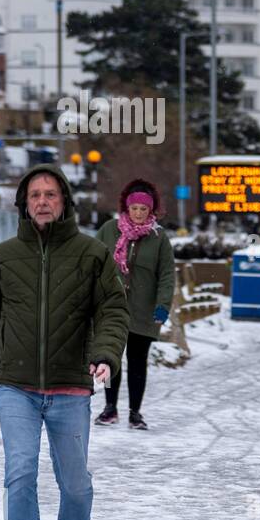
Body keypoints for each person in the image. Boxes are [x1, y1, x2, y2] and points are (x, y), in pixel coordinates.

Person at [0, 164, 130, 520]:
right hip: (15, 385)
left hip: (70, 385)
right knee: (19, 474)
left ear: (64, 201)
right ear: (23, 203)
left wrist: (106, 354)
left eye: (50, 194)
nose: (42, 201)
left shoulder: (91, 255)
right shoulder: (2, 258)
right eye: (34, 194)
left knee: (74, 480)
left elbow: (112, 310)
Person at [94, 179, 175, 430]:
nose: (139, 213)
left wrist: (162, 305)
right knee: (108, 360)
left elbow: (166, 275)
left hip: (144, 311)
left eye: (144, 209)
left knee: (138, 362)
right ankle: (109, 408)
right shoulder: (109, 231)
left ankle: (135, 412)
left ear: (151, 211)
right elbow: (91, 264)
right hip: (111, 309)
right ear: (126, 209)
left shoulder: (159, 238)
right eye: (135, 208)